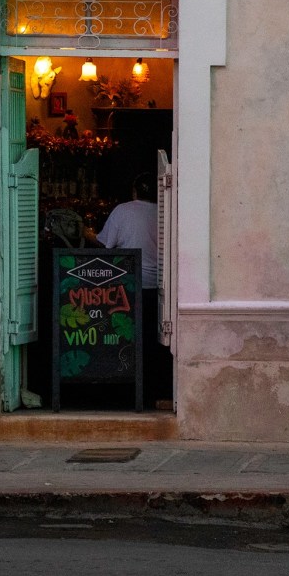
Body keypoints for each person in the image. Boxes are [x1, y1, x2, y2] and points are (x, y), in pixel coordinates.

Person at [86, 173, 172, 407]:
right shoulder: (164, 210)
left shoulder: (122, 211)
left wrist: (83, 233)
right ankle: (153, 391)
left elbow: (104, 244)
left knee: (125, 341)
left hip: (128, 289)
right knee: (154, 342)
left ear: (134, 190)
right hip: (159, 287)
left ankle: (127, 395)